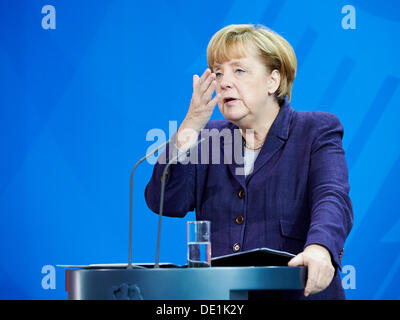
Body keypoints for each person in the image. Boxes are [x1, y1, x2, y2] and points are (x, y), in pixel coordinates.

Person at [145, 24, 353, 299]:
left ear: (273, 81)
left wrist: (320, 248)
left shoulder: (315, 130)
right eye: (218, 73)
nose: (224, 82)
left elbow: (332, 197)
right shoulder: (208, 137)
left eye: (239, 71)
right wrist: (191, 125)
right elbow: (165, 202)